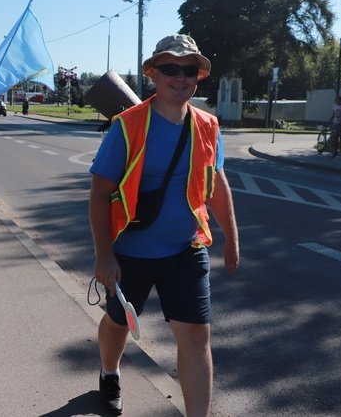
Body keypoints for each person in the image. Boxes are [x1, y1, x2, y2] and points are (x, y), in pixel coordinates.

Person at [90, 34, 240, 416]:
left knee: (195, 337)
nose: (181, 77)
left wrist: (231, 238)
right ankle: (109, 371)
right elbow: (99, 192)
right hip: (130, 251)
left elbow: (216, 184)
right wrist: (104, 255)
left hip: (186, 250)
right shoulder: (128, 126)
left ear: (197, 77)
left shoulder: (208, 126)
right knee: (118, 323)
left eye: (188, 70)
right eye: (171, 68)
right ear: (153, 74)